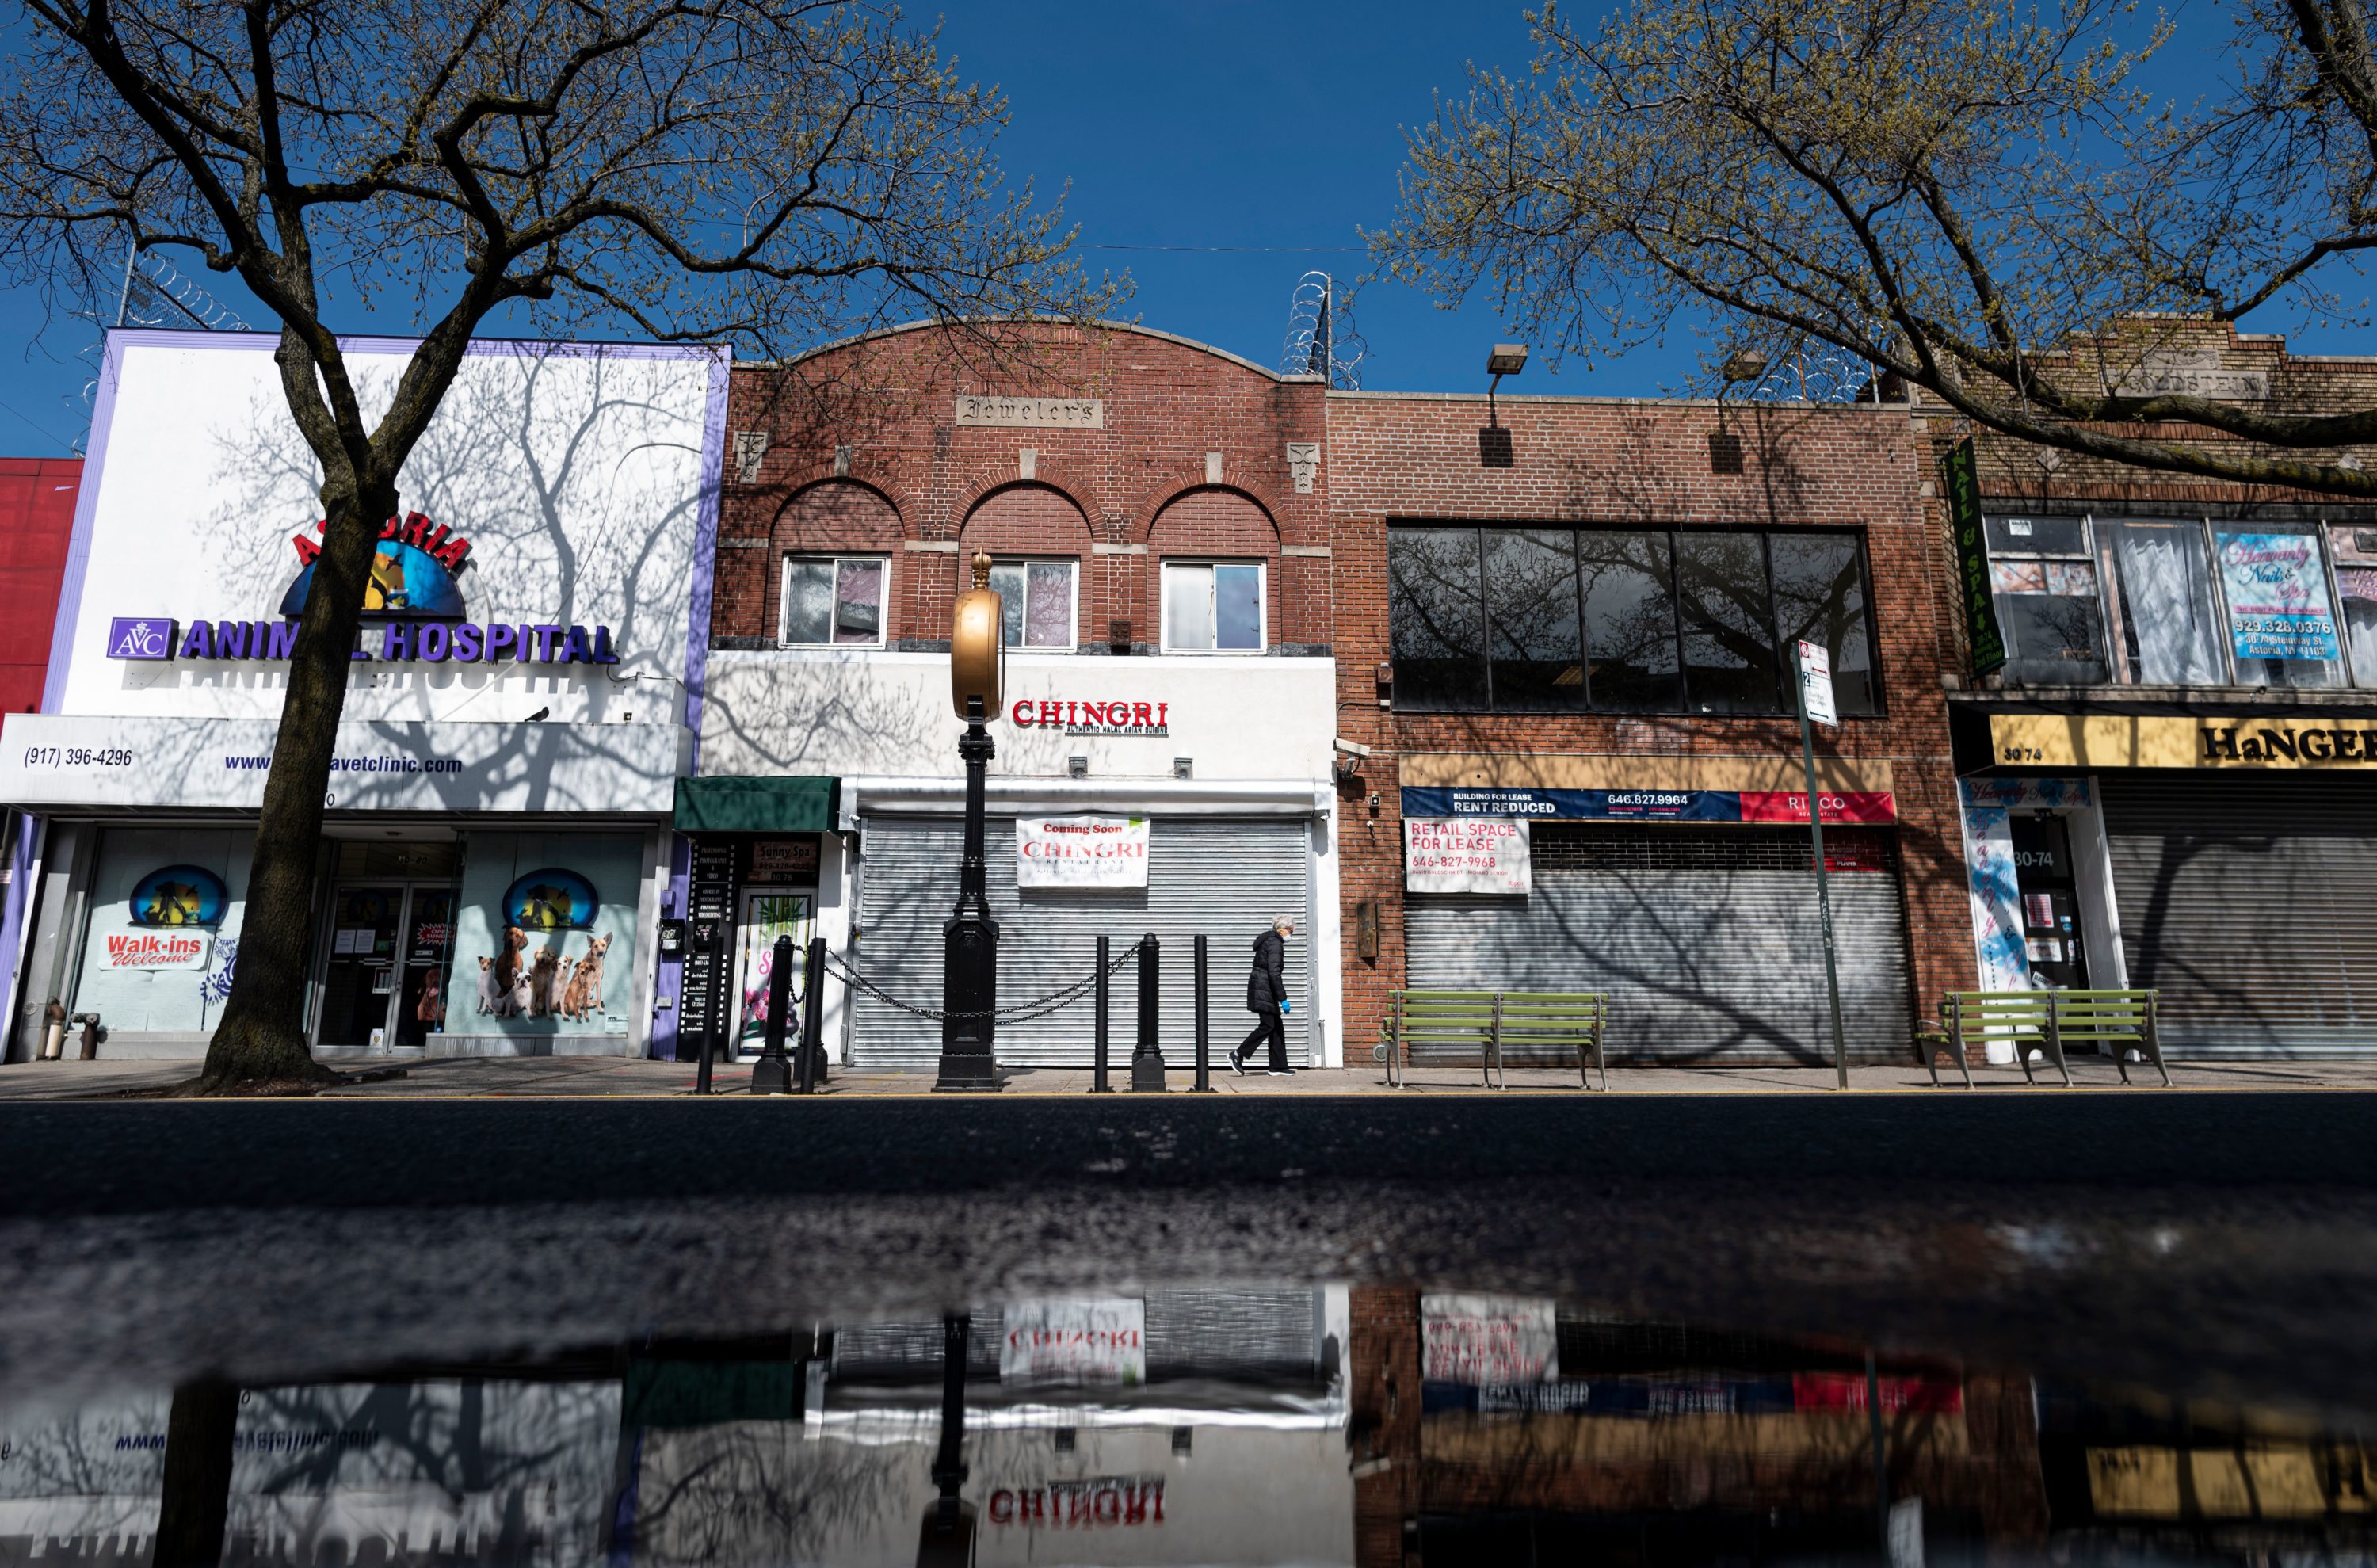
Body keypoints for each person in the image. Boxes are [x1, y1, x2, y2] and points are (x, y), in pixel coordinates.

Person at [1230, 915, 1295, 1077]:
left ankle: (1278, 1066)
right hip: (1264, 988)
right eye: (1290, 930)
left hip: (1264, 987)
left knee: (1276, 1027)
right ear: (1281, 930)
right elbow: (1274, 973)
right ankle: (1238, 1054)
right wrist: (1283, 998)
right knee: (1267, 1026)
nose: (1292, 934)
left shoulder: (1270, 941)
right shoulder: (1275, 943)